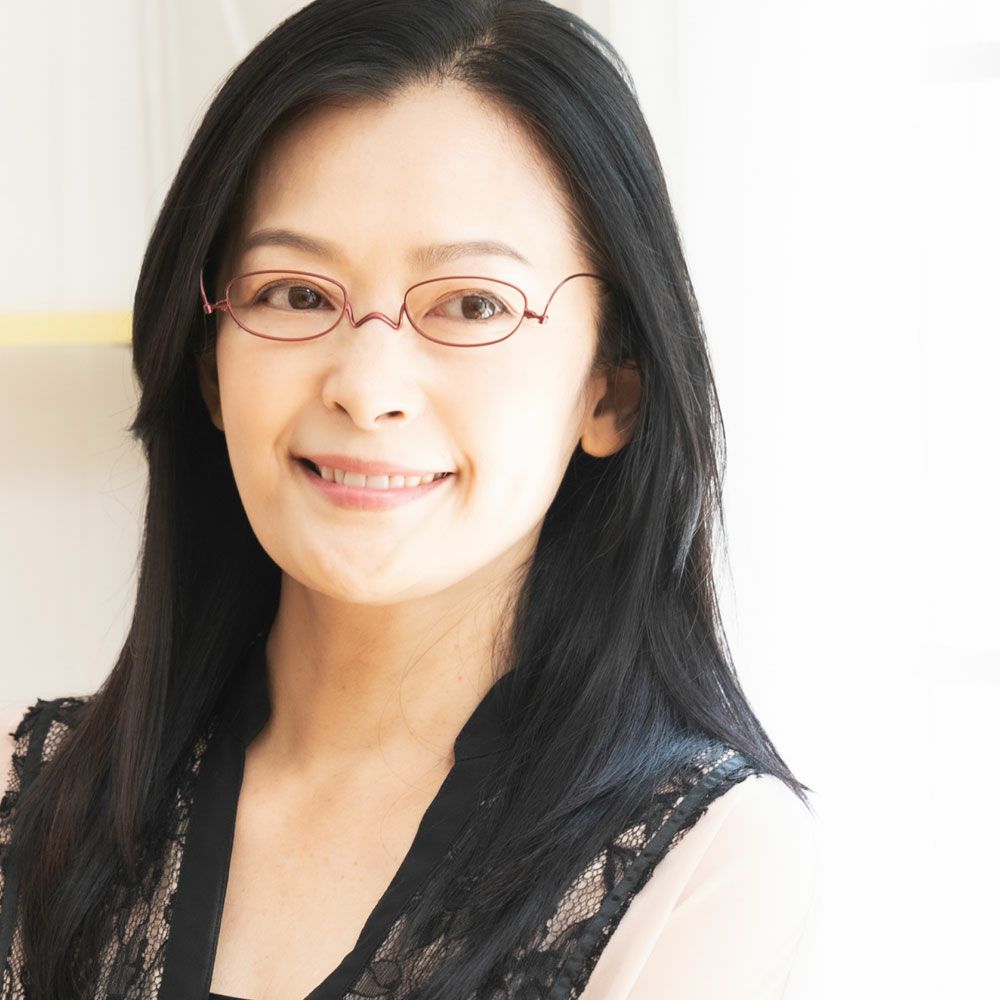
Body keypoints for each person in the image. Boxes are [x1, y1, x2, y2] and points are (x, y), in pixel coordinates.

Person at [0, 1, 819, 997]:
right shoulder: (31, 800)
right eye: (296, 293)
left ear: (610, 391)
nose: (367, 385)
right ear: (210, 365)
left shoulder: (707, 868)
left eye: (471, 305)